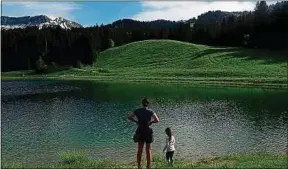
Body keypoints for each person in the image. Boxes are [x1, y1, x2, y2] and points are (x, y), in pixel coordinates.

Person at [128, 98, 160, 169]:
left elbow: (129, 117)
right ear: (148, 104)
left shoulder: (137, 111)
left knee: (140, 149)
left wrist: (136, 121)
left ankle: (139, 166)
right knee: (148, 150)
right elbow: (157, 120)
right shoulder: (150, 111)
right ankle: (148, 166)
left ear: (142, 104)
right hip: (148, 132)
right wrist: (151, 122)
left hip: (140, 131)